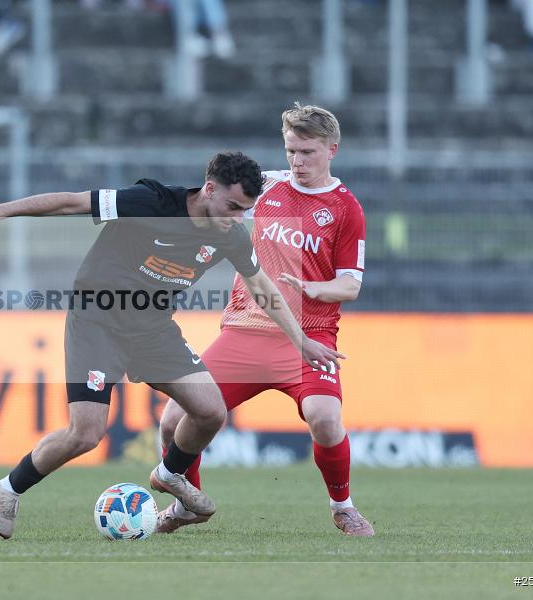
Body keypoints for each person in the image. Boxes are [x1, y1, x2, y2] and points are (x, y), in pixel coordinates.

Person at [0, 152, 345, 539]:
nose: (237, 218)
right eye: (231, 206)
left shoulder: (232, 235)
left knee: (210, 411)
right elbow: (71, 202)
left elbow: (261, 288)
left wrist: (301, 340)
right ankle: (7, 490)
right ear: (209, 189)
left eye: (245, 210)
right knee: (86, 434)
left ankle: (170, 474)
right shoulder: (150, 201)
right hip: (97, 322)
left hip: (153, 330)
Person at [155, 103, 374, 537]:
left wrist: (316, 289)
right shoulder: (266, 188)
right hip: (244, 330)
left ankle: (343, 507)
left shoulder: (346, 209)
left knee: (326, 419)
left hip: (308, 337)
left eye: (307, 152)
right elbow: (212, 209)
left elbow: (350, 285)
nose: (297, 161)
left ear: (332, 149)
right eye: (291, 150)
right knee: (171, 421)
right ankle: (187, 505)